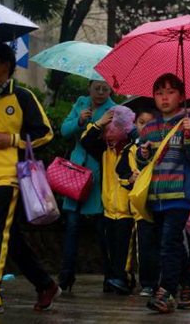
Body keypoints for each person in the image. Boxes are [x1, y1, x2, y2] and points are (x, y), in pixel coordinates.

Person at [0, 42, 59, 314]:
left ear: (5, 66)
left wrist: (14, 139)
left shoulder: (21, 96)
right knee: (11, 237)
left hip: (8, 177)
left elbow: (45, 132)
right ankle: (44, 283)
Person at [135, 73, 190, 313]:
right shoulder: (150, 127)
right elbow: (142, 160)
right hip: (156, 197)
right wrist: (143, 155)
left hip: (180, 195)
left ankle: (166, 291)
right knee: (172, 242)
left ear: (182, 96)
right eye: (159, 92)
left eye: (170, 92)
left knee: (168, 243)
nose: (164, 97)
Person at [59, 78, 116, 292]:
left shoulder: (114, 109)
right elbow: (64, 131)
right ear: (89, 88)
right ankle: (66, 275)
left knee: (102, 229)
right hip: (75, 174)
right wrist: (79, 121)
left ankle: (110, 276)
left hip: (100, 175)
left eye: (105, 89)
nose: (101, 92)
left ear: (110, 90)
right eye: (96, 88)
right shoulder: (81, 103)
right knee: (72, 226)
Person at [81, 105, 137, 295]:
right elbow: (86, 141)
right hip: (108, 210)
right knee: (109, 248)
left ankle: (123, 279)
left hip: (126, 210)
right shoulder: (103, 151)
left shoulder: (133, 149)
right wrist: (99, 122)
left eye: (114, 129)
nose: (109, 134)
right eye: (107, 130)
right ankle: (111, 279)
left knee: (124, 249)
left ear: (125, 130)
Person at [116, 108, 158, 296]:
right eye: (141, 122)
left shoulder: (162, 145)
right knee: (145, 246)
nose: (145, 127)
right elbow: (121, 175)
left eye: (150, 123)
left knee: (166, 243)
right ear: (134, 124)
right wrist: (130, 179)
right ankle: (148, 283)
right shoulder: (129, 149)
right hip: (140, 207)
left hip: (162, 201)